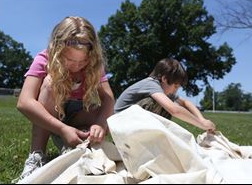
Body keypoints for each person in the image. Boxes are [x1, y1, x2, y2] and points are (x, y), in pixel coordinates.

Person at [15, 16, 115, 181]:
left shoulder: (94, 64)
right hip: (51, 115)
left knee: (107, 114)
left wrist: (100, 124)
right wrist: (62, 129)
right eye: (69, 60)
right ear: (57, 50)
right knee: (49, 83)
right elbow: (24, 102)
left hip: (77, 114)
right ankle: (37, 155)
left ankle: (78, 146)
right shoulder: (44, 59)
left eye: (82, 62)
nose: (76, 66)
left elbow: (108, 98)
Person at [114, 58, 215, 132]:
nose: (176, 91)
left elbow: (185, 102)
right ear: (164, 79)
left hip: (129, 124)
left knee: (167, 99)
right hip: (121, 126)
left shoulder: (163, 90)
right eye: (175, 86)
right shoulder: (151, 84)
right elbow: (175, 110)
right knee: (157, 102)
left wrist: (202, 119)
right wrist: (201, 124)